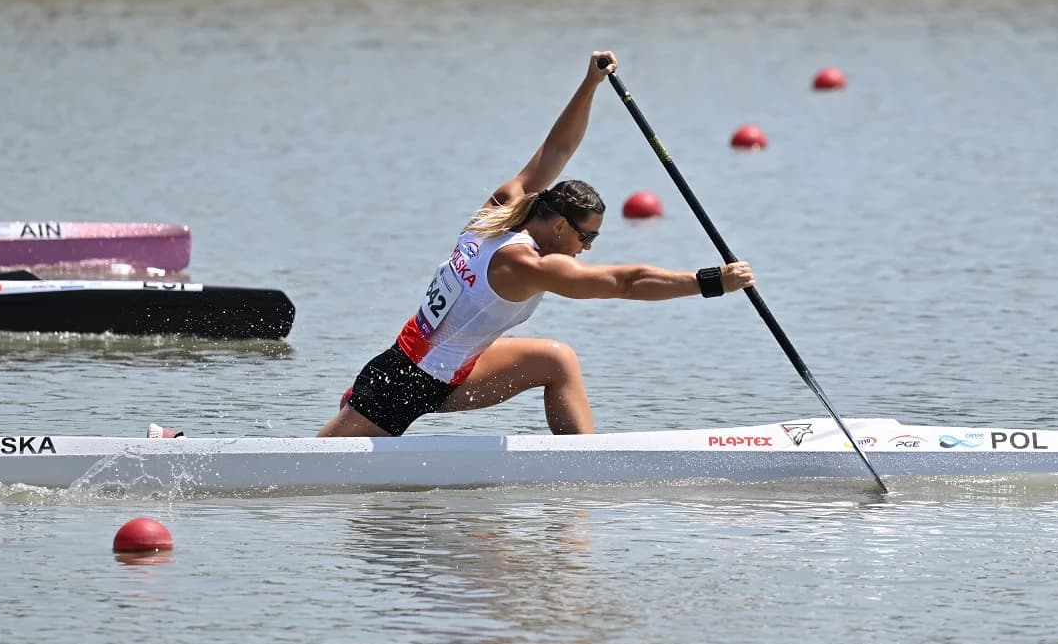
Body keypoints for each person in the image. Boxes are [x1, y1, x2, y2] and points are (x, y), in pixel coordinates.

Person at [317, 51, 755, 438]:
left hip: (441, 371)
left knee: (556, 360)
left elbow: (557, 148)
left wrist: (590, 84)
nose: (587, 249)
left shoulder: (498, 210)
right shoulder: (524, 263)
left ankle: (585, 467)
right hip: (403, 382)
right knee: (310, 470)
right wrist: (712, 281)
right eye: (588, 237)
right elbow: (626, 283)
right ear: (562, 226)